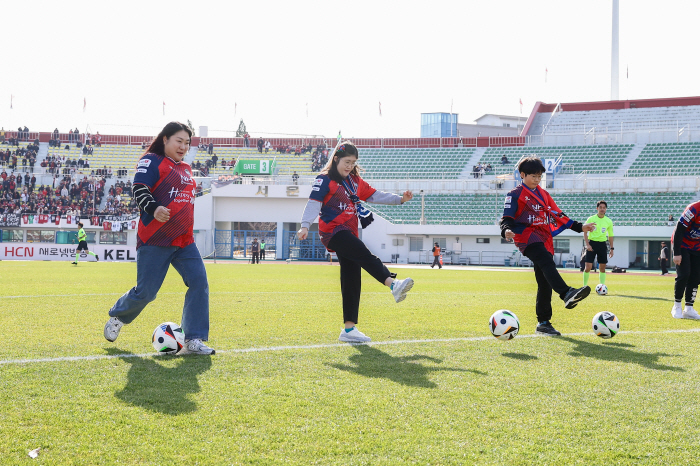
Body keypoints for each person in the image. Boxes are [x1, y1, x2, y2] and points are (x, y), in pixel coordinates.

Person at [103, 121, 215, 355]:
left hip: (184, 241)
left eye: (187, 142)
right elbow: (139, 188)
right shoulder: (151, 160)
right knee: (146, 292)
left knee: (199, 283)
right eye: (179, 141)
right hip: (155, 239)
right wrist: (154, 209)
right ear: (165, 139)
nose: (183, 146)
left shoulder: (185, 168)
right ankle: (118, 315)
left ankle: (194, 339)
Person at [297, 141, 414, 343]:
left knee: (351, 276)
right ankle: (392, 284)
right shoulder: (325, 179)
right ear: (336, 159)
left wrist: (400, 199)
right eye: (346, 161)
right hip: (332, 231)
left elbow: (376, 196)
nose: (349, 166)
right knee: (363, 253)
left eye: (353, 162)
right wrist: (305, 225)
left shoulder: (355, 182)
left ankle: (349, 330)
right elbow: (313, 203)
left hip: (349, 232)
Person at [501, 156, 595, 336]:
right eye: (533, 176)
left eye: (539, 177)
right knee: (546, 262)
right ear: (522, 175)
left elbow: (558, 214)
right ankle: (566, 293)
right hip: (526, 236)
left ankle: (543, 323)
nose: (537, 180)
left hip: (543, 238)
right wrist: (505, 230)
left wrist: (579, 227)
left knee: (544, 281)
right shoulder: (514, 194)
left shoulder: (544, 195)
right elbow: (506, 218)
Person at [671, 201, 700, 320]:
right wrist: (676, 253)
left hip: (697, 246)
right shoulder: (693, 209)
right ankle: (677, 305)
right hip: (682, 244)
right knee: (684, 274)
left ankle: (689, 308)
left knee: (696, 276)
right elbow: (679, 229)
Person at [583, 200, 614, 289]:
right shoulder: (591, 219)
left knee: (602, 268)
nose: (602, 209)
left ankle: (602, 287)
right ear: (597, 208)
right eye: (600, 207)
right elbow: (584, 232)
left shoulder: (608, 221)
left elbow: (610, 235)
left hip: (602, 245)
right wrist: (587, 245)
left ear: (606, 209)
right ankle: (584, 287)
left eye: (604, 208)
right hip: (591, 244)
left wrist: (612, 248)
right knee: (588, 267)